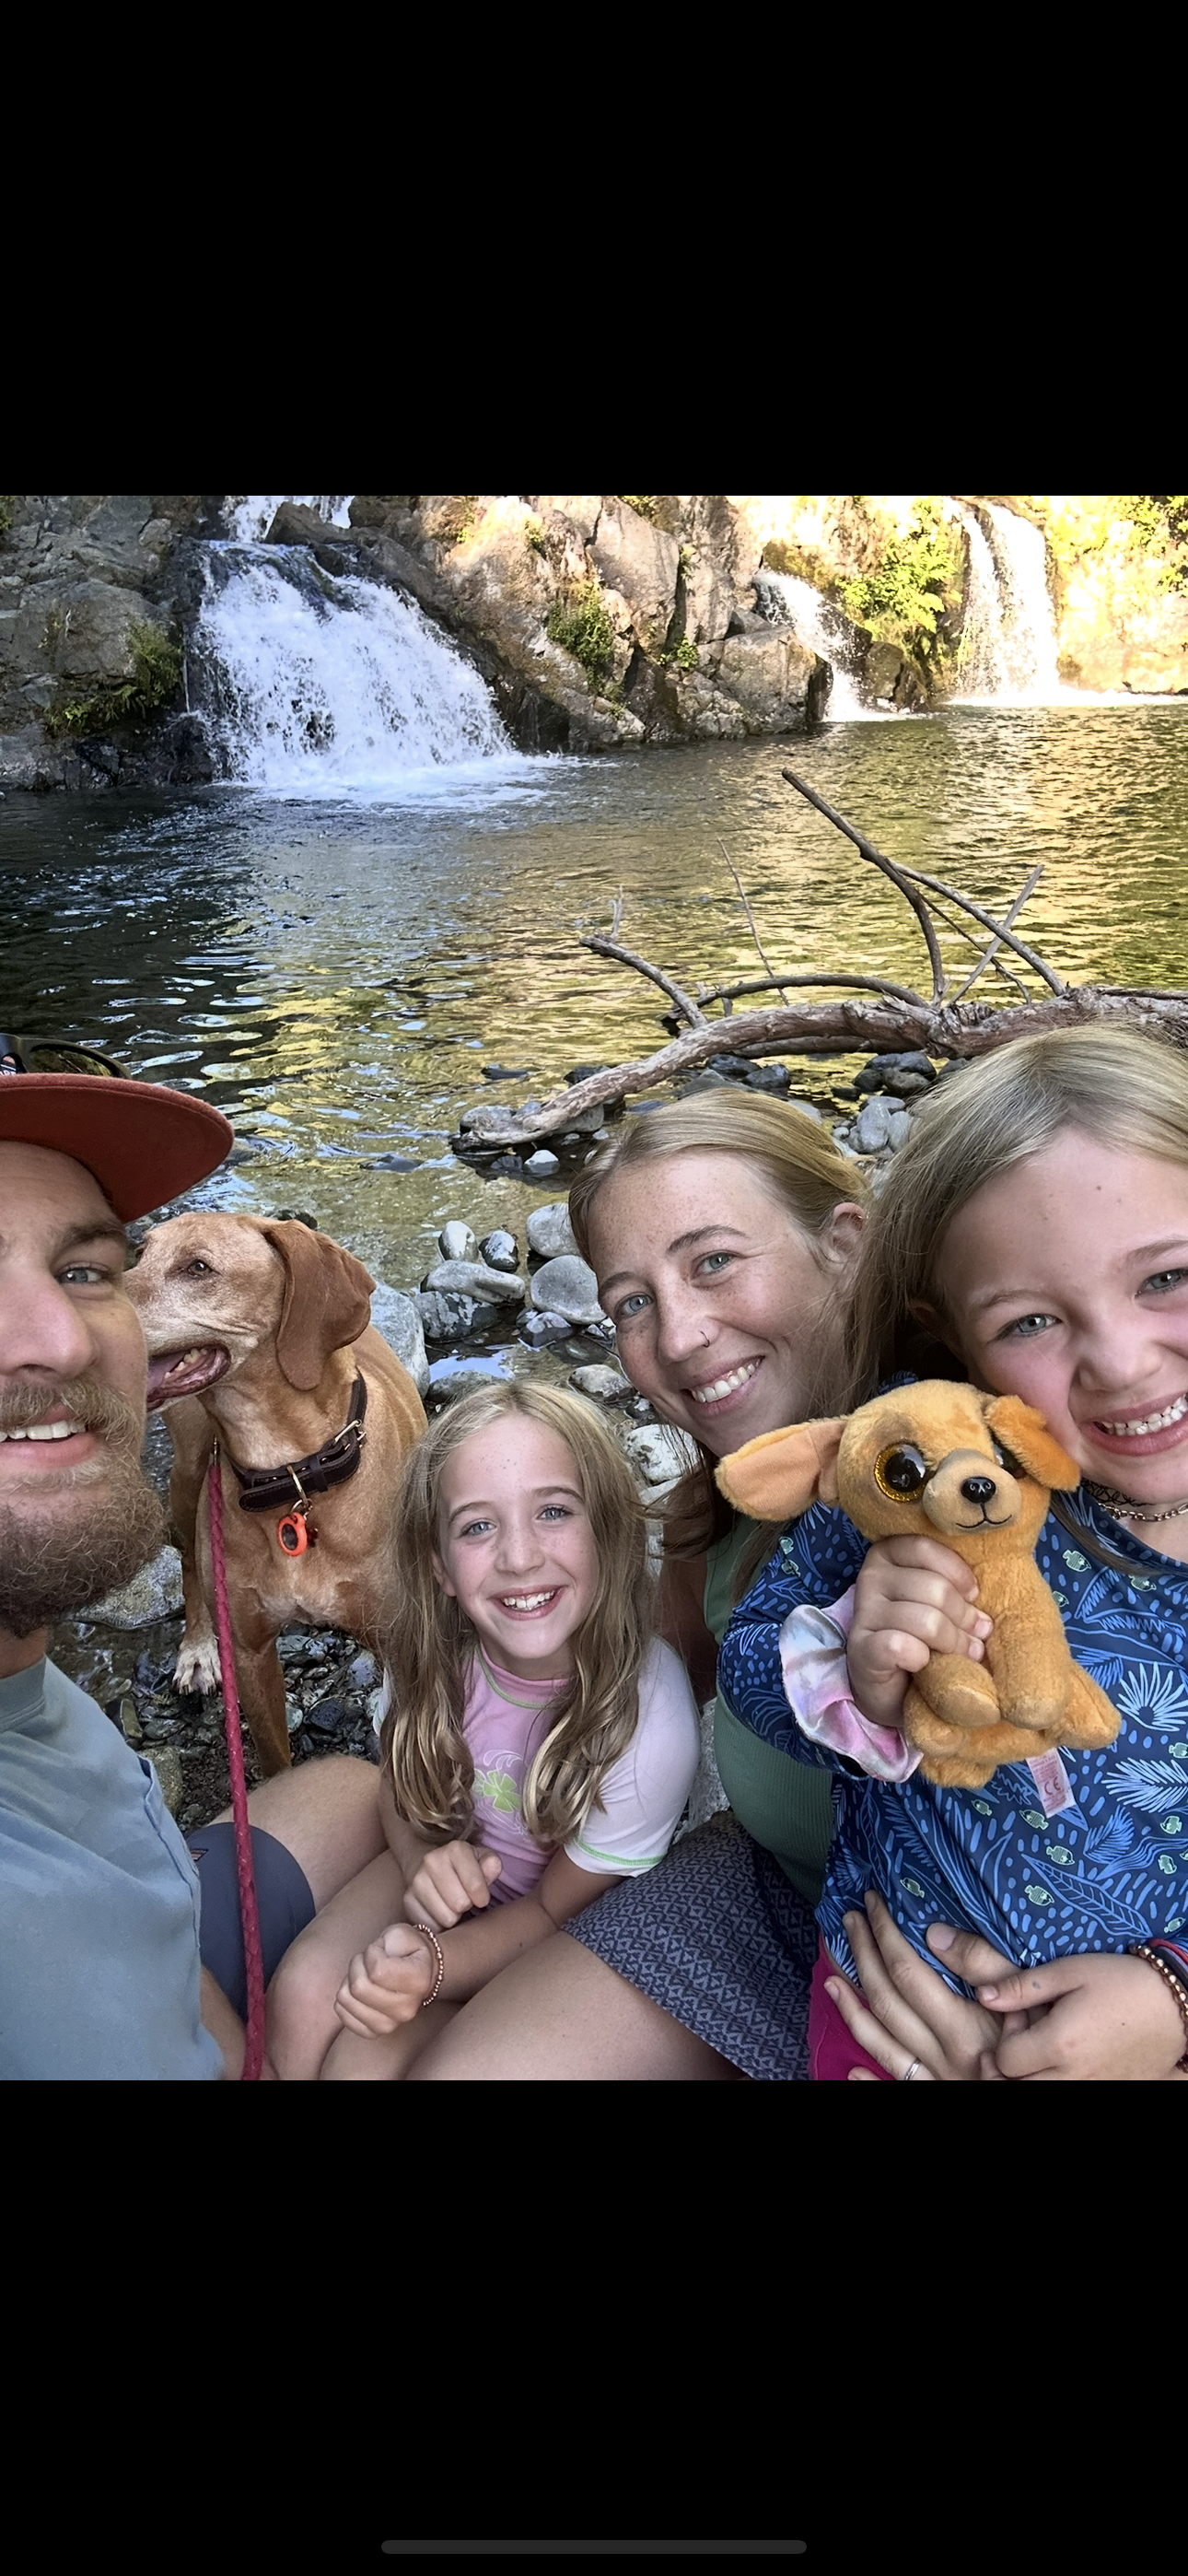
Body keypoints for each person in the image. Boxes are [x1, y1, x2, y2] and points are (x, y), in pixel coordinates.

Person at [718, 1025, 1188, 2080]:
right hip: (895, 2026)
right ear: (955, 1343)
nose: (1120, 1360)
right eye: (1031, 1320)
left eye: (1166, 1277)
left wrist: (1174, 2001)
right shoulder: (914, 1468)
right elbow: (748, 1667)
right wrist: (847, 1667)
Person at [380, 1092, 866, 2080]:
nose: (680, 1338)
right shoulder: (713, 1509)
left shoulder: (985, 1470)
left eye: (714, 1261)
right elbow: (618, 1683)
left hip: (990, 1944)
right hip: (775, 1901)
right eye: (631, 1303)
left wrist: (1167, 1988)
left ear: (844, 1244)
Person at [0, 1066, 388, 2078]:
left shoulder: (29, 1683)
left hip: (163, 1918)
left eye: (86, 1269)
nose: (71, 1337)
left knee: (355, 1785)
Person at [264, 1383, 701, 2077]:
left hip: (558, 1934)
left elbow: (556, 1914)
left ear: (609, 1531)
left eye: (554, 1511)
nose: (520, 1558)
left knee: (359, 2063)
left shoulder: (646, 1715)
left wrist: (433, 1966)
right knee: (302, 1997)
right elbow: (400, 1789)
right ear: (438, 1565)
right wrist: (420, 1860)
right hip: (438, 1875)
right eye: (476, 1526)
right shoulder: (433, 1656)